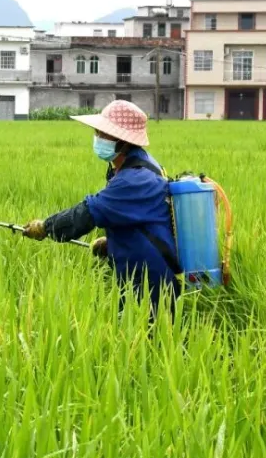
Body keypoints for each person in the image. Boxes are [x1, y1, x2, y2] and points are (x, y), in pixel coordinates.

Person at [22, 100, 181, 322]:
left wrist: (46, 227)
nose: (96, 137)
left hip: (149, 277)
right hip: (138, 267)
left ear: (123, 141)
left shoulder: (135, 179)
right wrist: (112, 242)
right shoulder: (137, 165)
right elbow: (140, 217)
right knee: (133, 335)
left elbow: (88, 213)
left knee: (150, 340)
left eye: (102, 133)